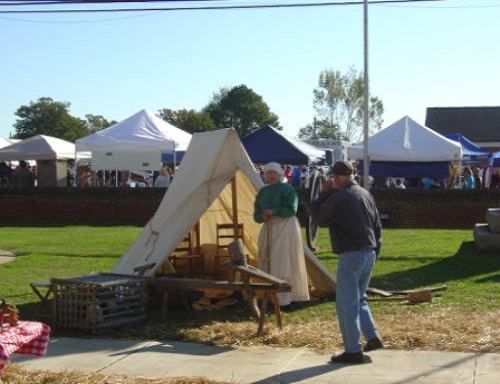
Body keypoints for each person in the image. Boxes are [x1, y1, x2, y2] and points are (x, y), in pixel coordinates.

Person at [311, 160, 383, 364]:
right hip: (369, 252)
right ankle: (372, 337)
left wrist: (323, 193)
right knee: (360, 298)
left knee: (346, 304)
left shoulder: (341, 196)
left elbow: (319, 218)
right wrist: (376, 252)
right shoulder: (365, 193)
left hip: (352, 253)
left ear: (336, 178)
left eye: (332, 178)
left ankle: (353, 350)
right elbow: (377, 226)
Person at [253, 162, 310, 310]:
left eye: (274, 173)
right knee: (267, 258)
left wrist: (274, 211)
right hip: (269, 227)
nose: (271, 176)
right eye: (268, 173)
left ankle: (287, 299)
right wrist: (262, 216)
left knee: (283, 261)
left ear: (279, 174)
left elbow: (292, 209)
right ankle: (271, 297)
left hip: (285, 227)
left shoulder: (287, 189)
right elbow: (256, 213)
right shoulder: (263, 191)